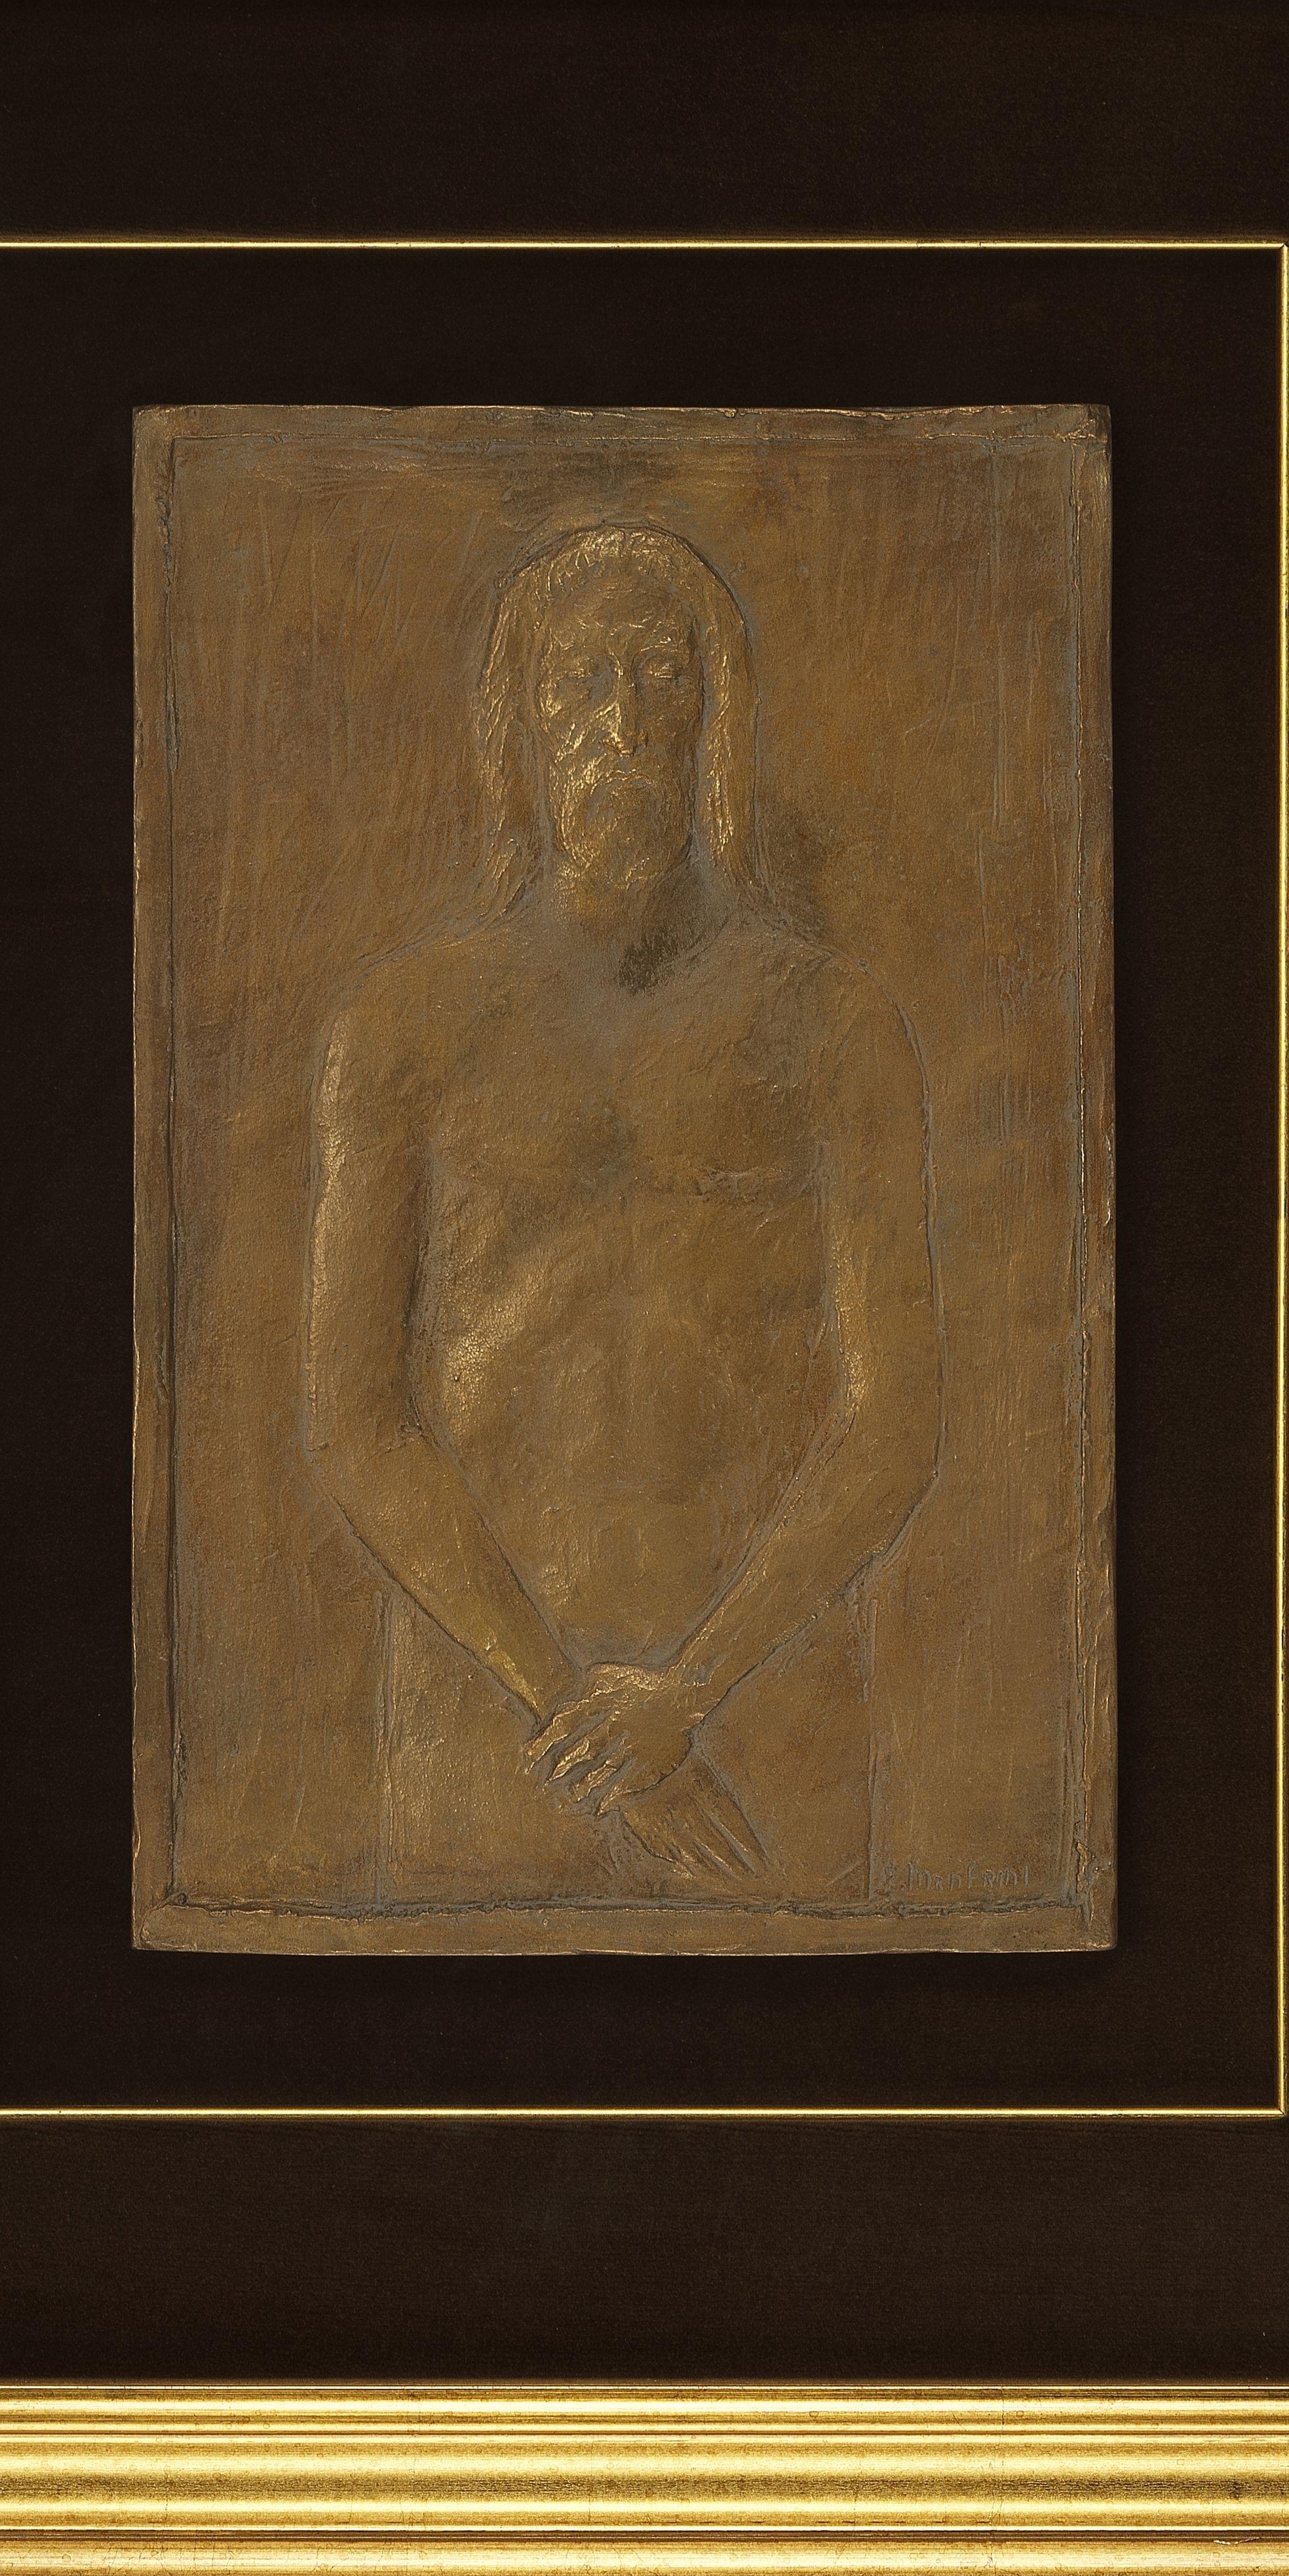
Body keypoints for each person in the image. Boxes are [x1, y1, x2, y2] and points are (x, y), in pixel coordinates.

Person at [304, 523, 941, 1906]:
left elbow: (892, 1419)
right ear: (518, 725)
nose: (622, 728)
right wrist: (570, 1707)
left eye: (660, 677)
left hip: (765, 1713)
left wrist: (690, 1692)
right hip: (488, 1709)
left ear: (715, 716)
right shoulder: (406, 1026)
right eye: (578, 683)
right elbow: (356, 1418)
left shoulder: (833, 1027)